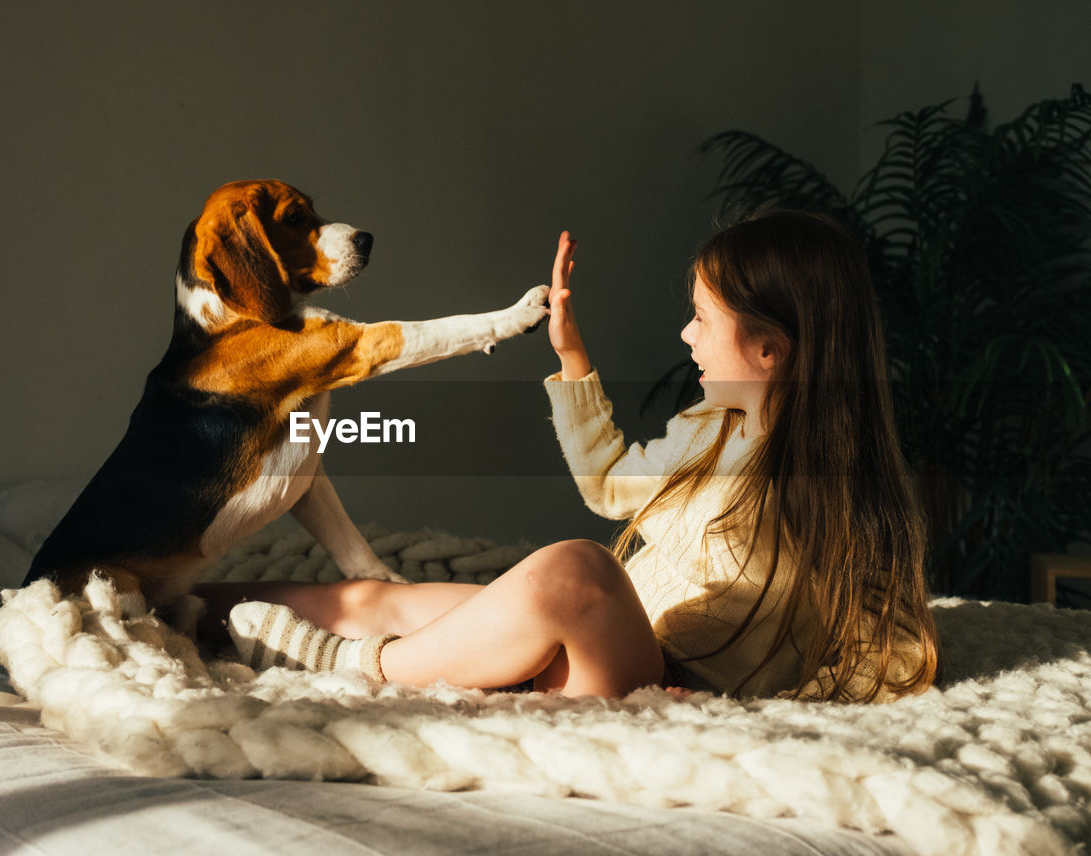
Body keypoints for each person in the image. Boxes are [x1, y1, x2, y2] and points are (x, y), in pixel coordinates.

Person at [195, 210, 939, 702]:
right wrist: (573, 358)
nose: (686, 337)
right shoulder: (711, 426)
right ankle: (187, 611)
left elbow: (896, 655)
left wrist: (758, 709)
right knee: (396, 599)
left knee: (577, 569)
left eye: (702, 320)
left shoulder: (844, 490)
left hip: (651, 678)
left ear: (770, 350)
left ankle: (351, 670)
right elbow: (610, 483)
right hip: (612, 640)